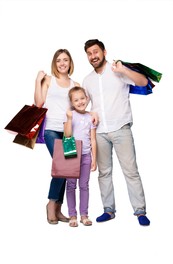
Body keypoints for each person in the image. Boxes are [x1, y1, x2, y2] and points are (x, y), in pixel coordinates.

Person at [82, 39, 150, 226]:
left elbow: (144, 82)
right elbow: (82, 104)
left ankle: (140, 211)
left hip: (121, 128)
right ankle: (108, 210)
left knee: (131, 171)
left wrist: (124, 70)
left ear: (104, 51)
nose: (93, 56)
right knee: (104, 173)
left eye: (95, 52)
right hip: (100, 133)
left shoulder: (118, 71)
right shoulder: (87, 80)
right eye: (89, 53)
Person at [34, 49, 80, 224]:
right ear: (55, 63)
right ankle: (51, 204)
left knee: (67, 170)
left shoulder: (75, 84)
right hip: (51, 129)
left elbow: (77, 108)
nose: (62, 63)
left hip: (68, 130)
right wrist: (37, 81)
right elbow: (39, 103)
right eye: (59, 60)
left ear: (70, 63)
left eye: (66, 60)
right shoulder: (48, 80)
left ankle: (58, 208)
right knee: (63, 166)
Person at [64, 86, 97, 227]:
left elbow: (93, 139)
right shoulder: (70, 115)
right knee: (71, 185)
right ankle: (72, 215)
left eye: (82, 98)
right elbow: (67, 135)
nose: (80, 102)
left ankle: (84, 214)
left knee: (84, 185)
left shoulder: (91, 117)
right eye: (76, 100)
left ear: (87, 98)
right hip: (71, 153)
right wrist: (70, 119)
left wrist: (94, 158)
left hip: (85, 155)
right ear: (72, 102)